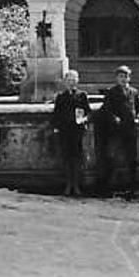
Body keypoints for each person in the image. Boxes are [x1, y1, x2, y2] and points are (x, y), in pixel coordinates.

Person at [98, 65, 139, 198]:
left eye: (126, 76)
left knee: (132, 159)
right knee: (111, 157)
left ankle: (132, 187)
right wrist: (114, 119)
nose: (123, 79)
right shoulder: (111, 93)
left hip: (131, 130)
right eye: (121, 77)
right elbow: (106, 110)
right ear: (117, 78)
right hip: (116, 130)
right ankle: (106, 186)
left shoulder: (134, 92)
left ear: (129, 78)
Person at [50, 69, 89, 197]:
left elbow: (88, 112)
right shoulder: (61, 96)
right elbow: (56, 114)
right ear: (65, 82)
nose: (71, 82)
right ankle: (68, 184)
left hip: (77, 131)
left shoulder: (82, 95)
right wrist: (56, 127)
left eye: (74, 80)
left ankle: (76, 185)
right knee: (66, 157)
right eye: (69, 80)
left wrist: (84, 119)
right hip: (65, 131)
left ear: (77, 81)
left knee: (77, 158)